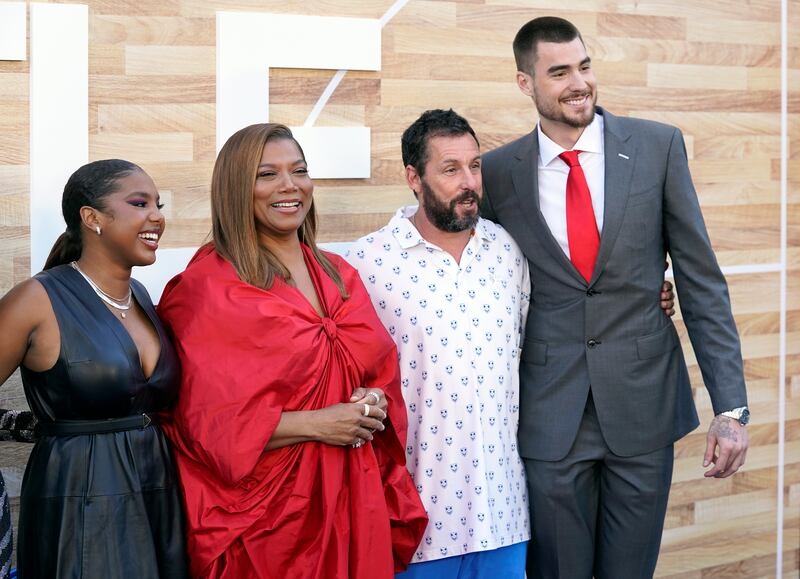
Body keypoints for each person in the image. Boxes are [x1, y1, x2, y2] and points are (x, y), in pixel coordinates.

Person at [347, 109, 676, 579]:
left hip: (504, 517)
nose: (469, 183)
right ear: (413, 179)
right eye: (450, 169)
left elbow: (571, 312)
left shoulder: (508, 251)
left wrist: (652, 295)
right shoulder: (367, 263)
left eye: (475, 166)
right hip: (414, 519)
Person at [480, 16, 749, 578]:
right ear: (525, 84)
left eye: (584, 66)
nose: (579, 82)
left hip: (643, 406)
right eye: (559, 72)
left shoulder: (657, 147)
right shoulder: (500, 173)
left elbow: (701, 282)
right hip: (549, 414)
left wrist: (730, 410)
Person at [157, 123, 428, 579]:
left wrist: (372, 402)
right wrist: (319, 424)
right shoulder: (207, 289)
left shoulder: (340, 275)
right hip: (271, 525)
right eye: (267, 175)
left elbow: (378, 373)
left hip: (353, 497)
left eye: (298, 170)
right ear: (236, 189)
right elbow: (202, 423)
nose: (290, 186)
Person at [0, 159, 189, 578]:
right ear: (92, 218)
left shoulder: (139, 294)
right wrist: (34, 426)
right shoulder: (36, 299)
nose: (157, 216)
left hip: (157, 492)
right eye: (139, 203)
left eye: (158, 204)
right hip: (77, 497)